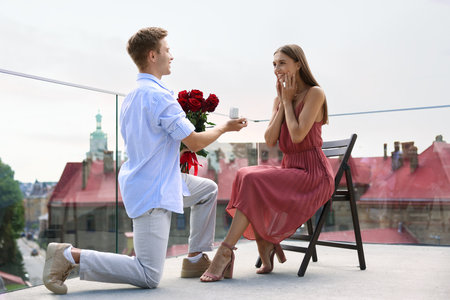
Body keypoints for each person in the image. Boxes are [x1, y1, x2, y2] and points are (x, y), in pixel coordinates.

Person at [42, 27, 247, 294]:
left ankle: (195, 258)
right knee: (148, 274)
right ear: (152, 55)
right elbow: (194, 141)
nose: (171, 56)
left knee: (207, 190)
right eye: (167, 50)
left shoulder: (131, 98)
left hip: (155, 179)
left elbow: (154, 142)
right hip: (153, 192)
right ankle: (69, 256)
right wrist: (225, 128)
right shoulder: (160, 97)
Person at [200, 44, 334, 282]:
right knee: (244, 173)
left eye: (282, 63)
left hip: (314, 175)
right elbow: (271, 139)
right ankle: (266, 243)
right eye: (274, 64)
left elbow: (297, 135)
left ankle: (225, 252)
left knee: (253, 179)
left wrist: (288, 100)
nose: (277, 69)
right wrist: (283, 102)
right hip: (290, 168)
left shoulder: (315, 93)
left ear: (298, 64)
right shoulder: (280, 99)